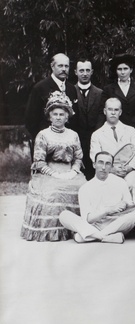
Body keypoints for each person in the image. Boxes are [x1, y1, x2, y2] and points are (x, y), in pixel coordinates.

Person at [21, 92, 86, 241]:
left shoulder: (73, 134)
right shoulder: (43, 135)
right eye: (55, 114)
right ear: (49, 116)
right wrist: (55, 174)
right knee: (54, 192)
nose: (58, 117)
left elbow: (78, 157)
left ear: (67, 117)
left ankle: (79, 229)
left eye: (61, 114)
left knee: (84, 188)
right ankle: (54, 232)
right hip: (48, 173)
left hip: (70, 170)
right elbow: (39, 161)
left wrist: (73, 171)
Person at [58, 151, 135, 244]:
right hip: (94, 226)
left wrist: (125, 205)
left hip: (117, 224)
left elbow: (130, 209)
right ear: (94, 165)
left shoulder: (121, 182)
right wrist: (108, 210)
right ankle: (105, 237)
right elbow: (88, 219)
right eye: (100, 162)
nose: (103, 167)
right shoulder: (85, 188)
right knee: (64, 215)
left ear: (111, 167)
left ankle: (92, 236)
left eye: (107, 164)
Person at [99, 53, 135, 151]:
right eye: (119, 69)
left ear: (131, 70)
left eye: (125, 69)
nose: (122, 72)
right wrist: (100, 130)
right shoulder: (109, 89)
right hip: (114, 129)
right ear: (116, 71)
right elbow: (101, 112)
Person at [25, 53, 78, 142]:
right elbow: (31, 119)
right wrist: (41, 139)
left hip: (67, 141)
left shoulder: (71, 88)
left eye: (66, 66)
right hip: (47, 141)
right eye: (60, 66)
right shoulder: (40, 88)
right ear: (52, 67)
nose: (64, 69)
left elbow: (74, 118)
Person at [89, 98, 135, 185]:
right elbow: (95, 156)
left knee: (133, 182)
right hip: (107, 172)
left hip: (128, 171)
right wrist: (112, 169)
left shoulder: (131, 130)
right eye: (110, 109)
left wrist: (128, 168)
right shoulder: (97, 134)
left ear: (120, 112)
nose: (113, 113)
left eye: (116, 110)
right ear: (105, 111)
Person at [73, 59, 104, 180]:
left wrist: (95, 134)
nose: (84, 73)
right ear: (76, 72)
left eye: (87, 70)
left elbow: (102, 115)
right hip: (76, 137)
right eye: (81, 70)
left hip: (94, 137)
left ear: (92, 72)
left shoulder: (100, 93)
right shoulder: (70, 91)